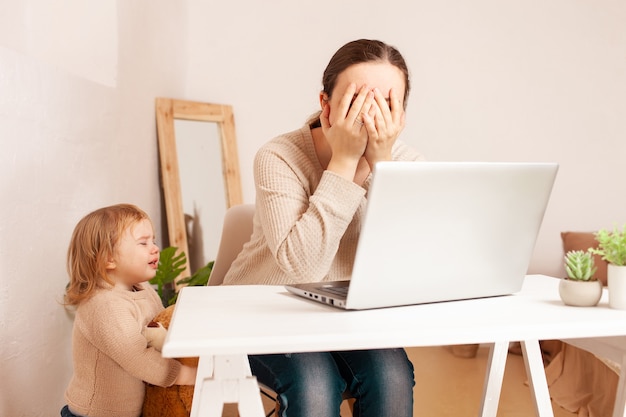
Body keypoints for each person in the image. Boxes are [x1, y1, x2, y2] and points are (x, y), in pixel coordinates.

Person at [223, 39, 424, 417]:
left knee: (392, 376)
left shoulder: (408, 163)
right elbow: (304, 267)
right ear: (326, 105)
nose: (370, 114)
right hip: (263, 309)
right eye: (357, 100)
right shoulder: (278, 157)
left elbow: (405, 266)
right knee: (314, 383)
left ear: (402, 115)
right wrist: (345, 161)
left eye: (386, 103)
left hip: (347, 316)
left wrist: (383, 168)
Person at [60, 204, 197, 417]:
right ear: (108, 258)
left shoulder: (144, 292)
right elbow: (137, 357)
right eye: (143, 243)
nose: (154, 248)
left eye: (153, 240)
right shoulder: (103, 304)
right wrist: (186, 375)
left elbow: (158, 333)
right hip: (94, 413)